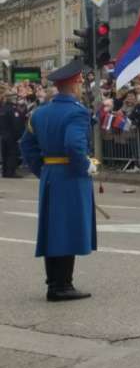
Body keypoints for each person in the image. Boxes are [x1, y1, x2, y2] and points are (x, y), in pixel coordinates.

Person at [19, 60, 97, 301]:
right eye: (80, 83)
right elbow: (74, 145)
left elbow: (26, 145)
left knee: (53, 229)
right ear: (74, 84)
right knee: (68, 228)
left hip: (52, 174)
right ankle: (62, 285)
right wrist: (86, 165)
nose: (81, 87)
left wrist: (43, 170)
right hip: (70, 176)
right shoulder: (77, 111)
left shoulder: (40, 112)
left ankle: (54, 281)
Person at [0, 90, 27, 177]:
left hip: (3, 135)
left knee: (5, 154)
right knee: (12, 154)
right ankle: (11, 172)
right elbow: (16, 124)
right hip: (11, 135)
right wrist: (19, 136)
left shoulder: (2, 109)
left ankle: (5, 172)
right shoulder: (13, 110)